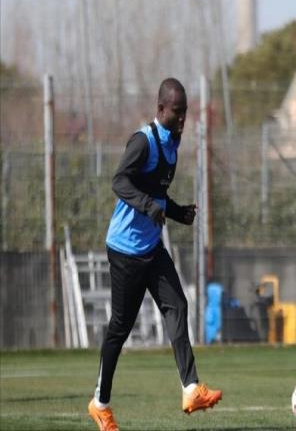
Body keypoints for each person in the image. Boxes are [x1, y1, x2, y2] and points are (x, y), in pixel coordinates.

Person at [88, 78, 222, 431]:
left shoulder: (172, 143)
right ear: (161, 109)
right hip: (125, 251)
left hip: (152, 247)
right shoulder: (143, 141)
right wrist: (149, 206)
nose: (183, 119)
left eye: (185, 112)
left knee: (177, 305)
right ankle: (100, 404)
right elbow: (119, 181)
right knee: (120, 328)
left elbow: (157, 193)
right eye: (177, 112)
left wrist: (178, 213)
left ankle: (191, 389)